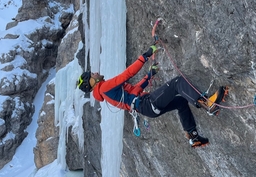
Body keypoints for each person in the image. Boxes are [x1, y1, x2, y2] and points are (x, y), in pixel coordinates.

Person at [77, 45, 228, 148]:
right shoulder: (103, 87)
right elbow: (127, 74)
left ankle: (194, 137)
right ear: (91, 82)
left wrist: (149, 76)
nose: (95, 73)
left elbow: (134, 90)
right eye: (92, 74)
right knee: (178, 82)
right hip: (146, 103)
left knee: (181, 101)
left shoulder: (105, 92)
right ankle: (207, 103)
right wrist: (145, 56)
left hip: (146, 108)